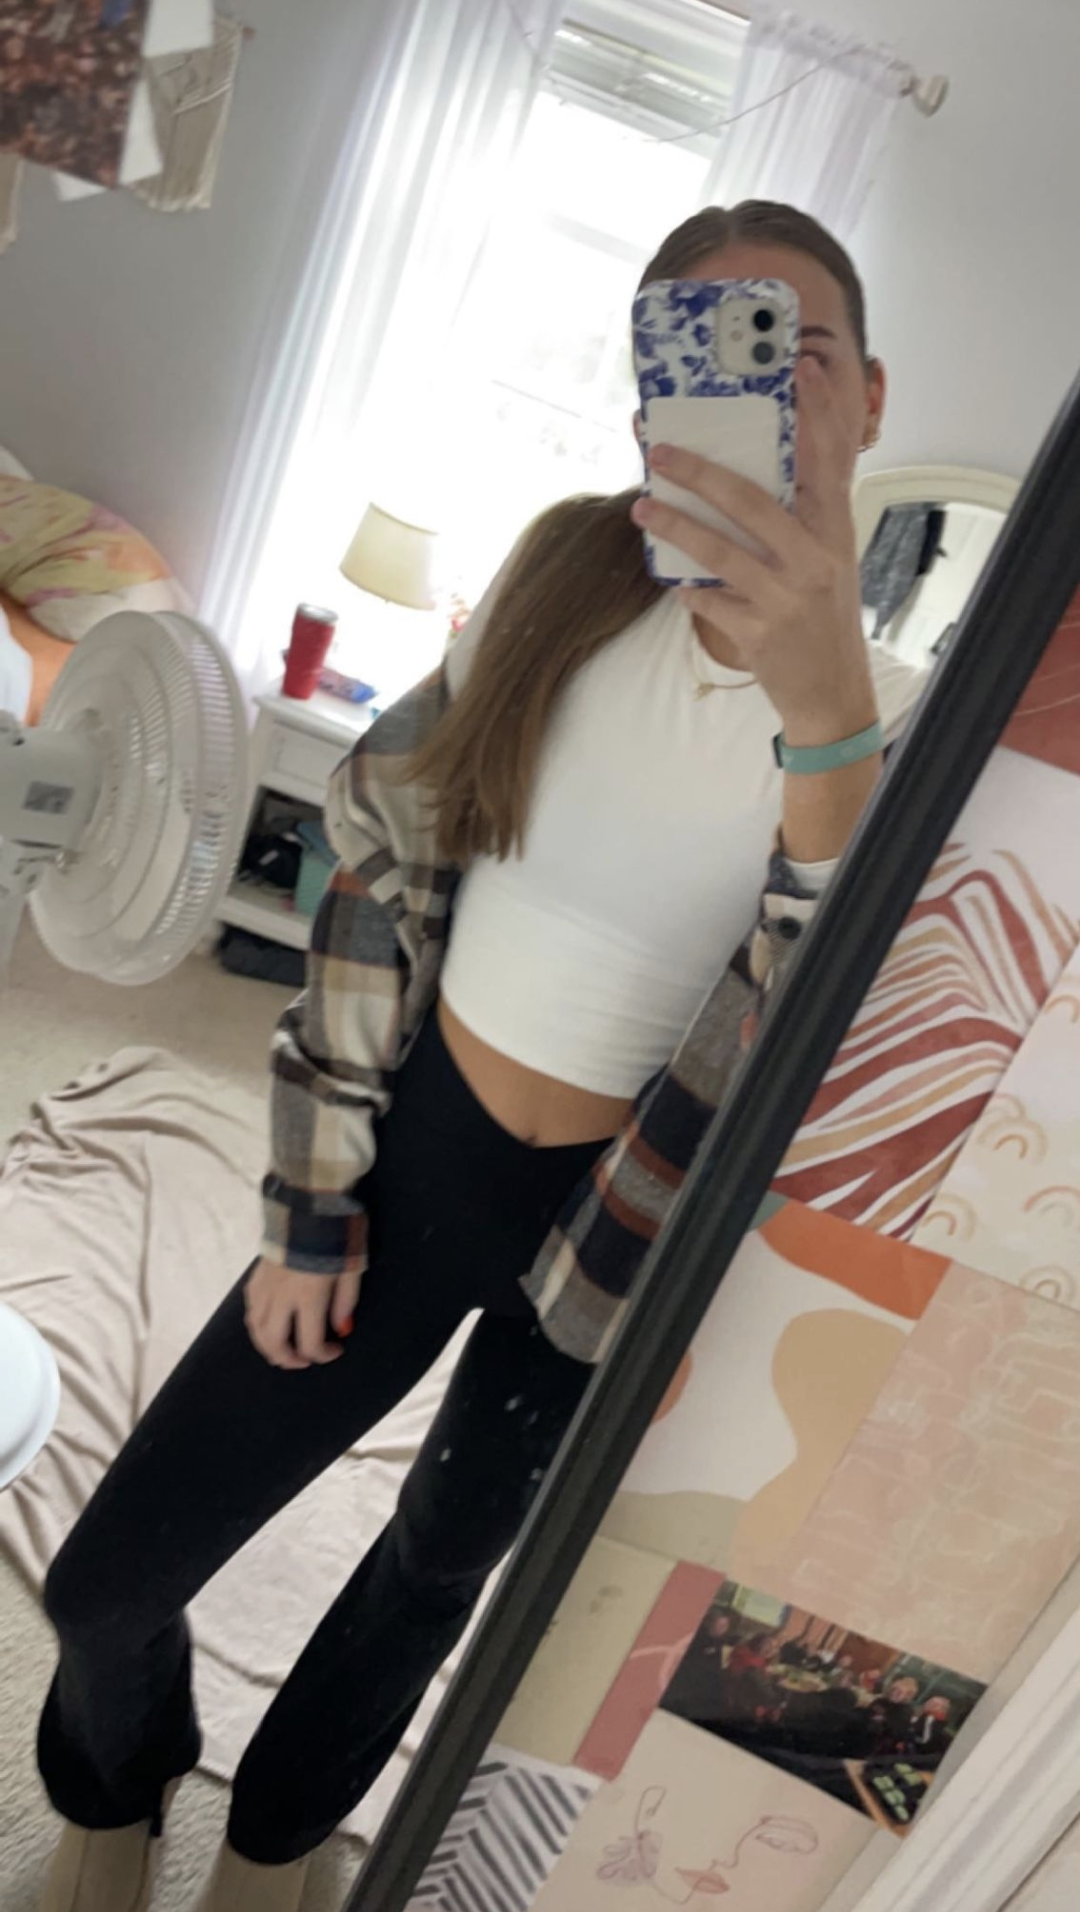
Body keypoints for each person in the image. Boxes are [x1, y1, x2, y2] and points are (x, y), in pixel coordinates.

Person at [36, 200, 925, 1912]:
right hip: (415, 1155)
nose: (763, 390)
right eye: (709, 354)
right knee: (105, 1588)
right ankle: (114, 1782)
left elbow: (824, 1020)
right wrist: (311, 1200)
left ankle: (278, 1845)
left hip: (620, 1229)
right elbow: (376, 859)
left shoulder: (894, 717)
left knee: (430, 1576)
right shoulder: (568, 573)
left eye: (799, 350)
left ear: (869, 397)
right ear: (651, 403)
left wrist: (826, 711)